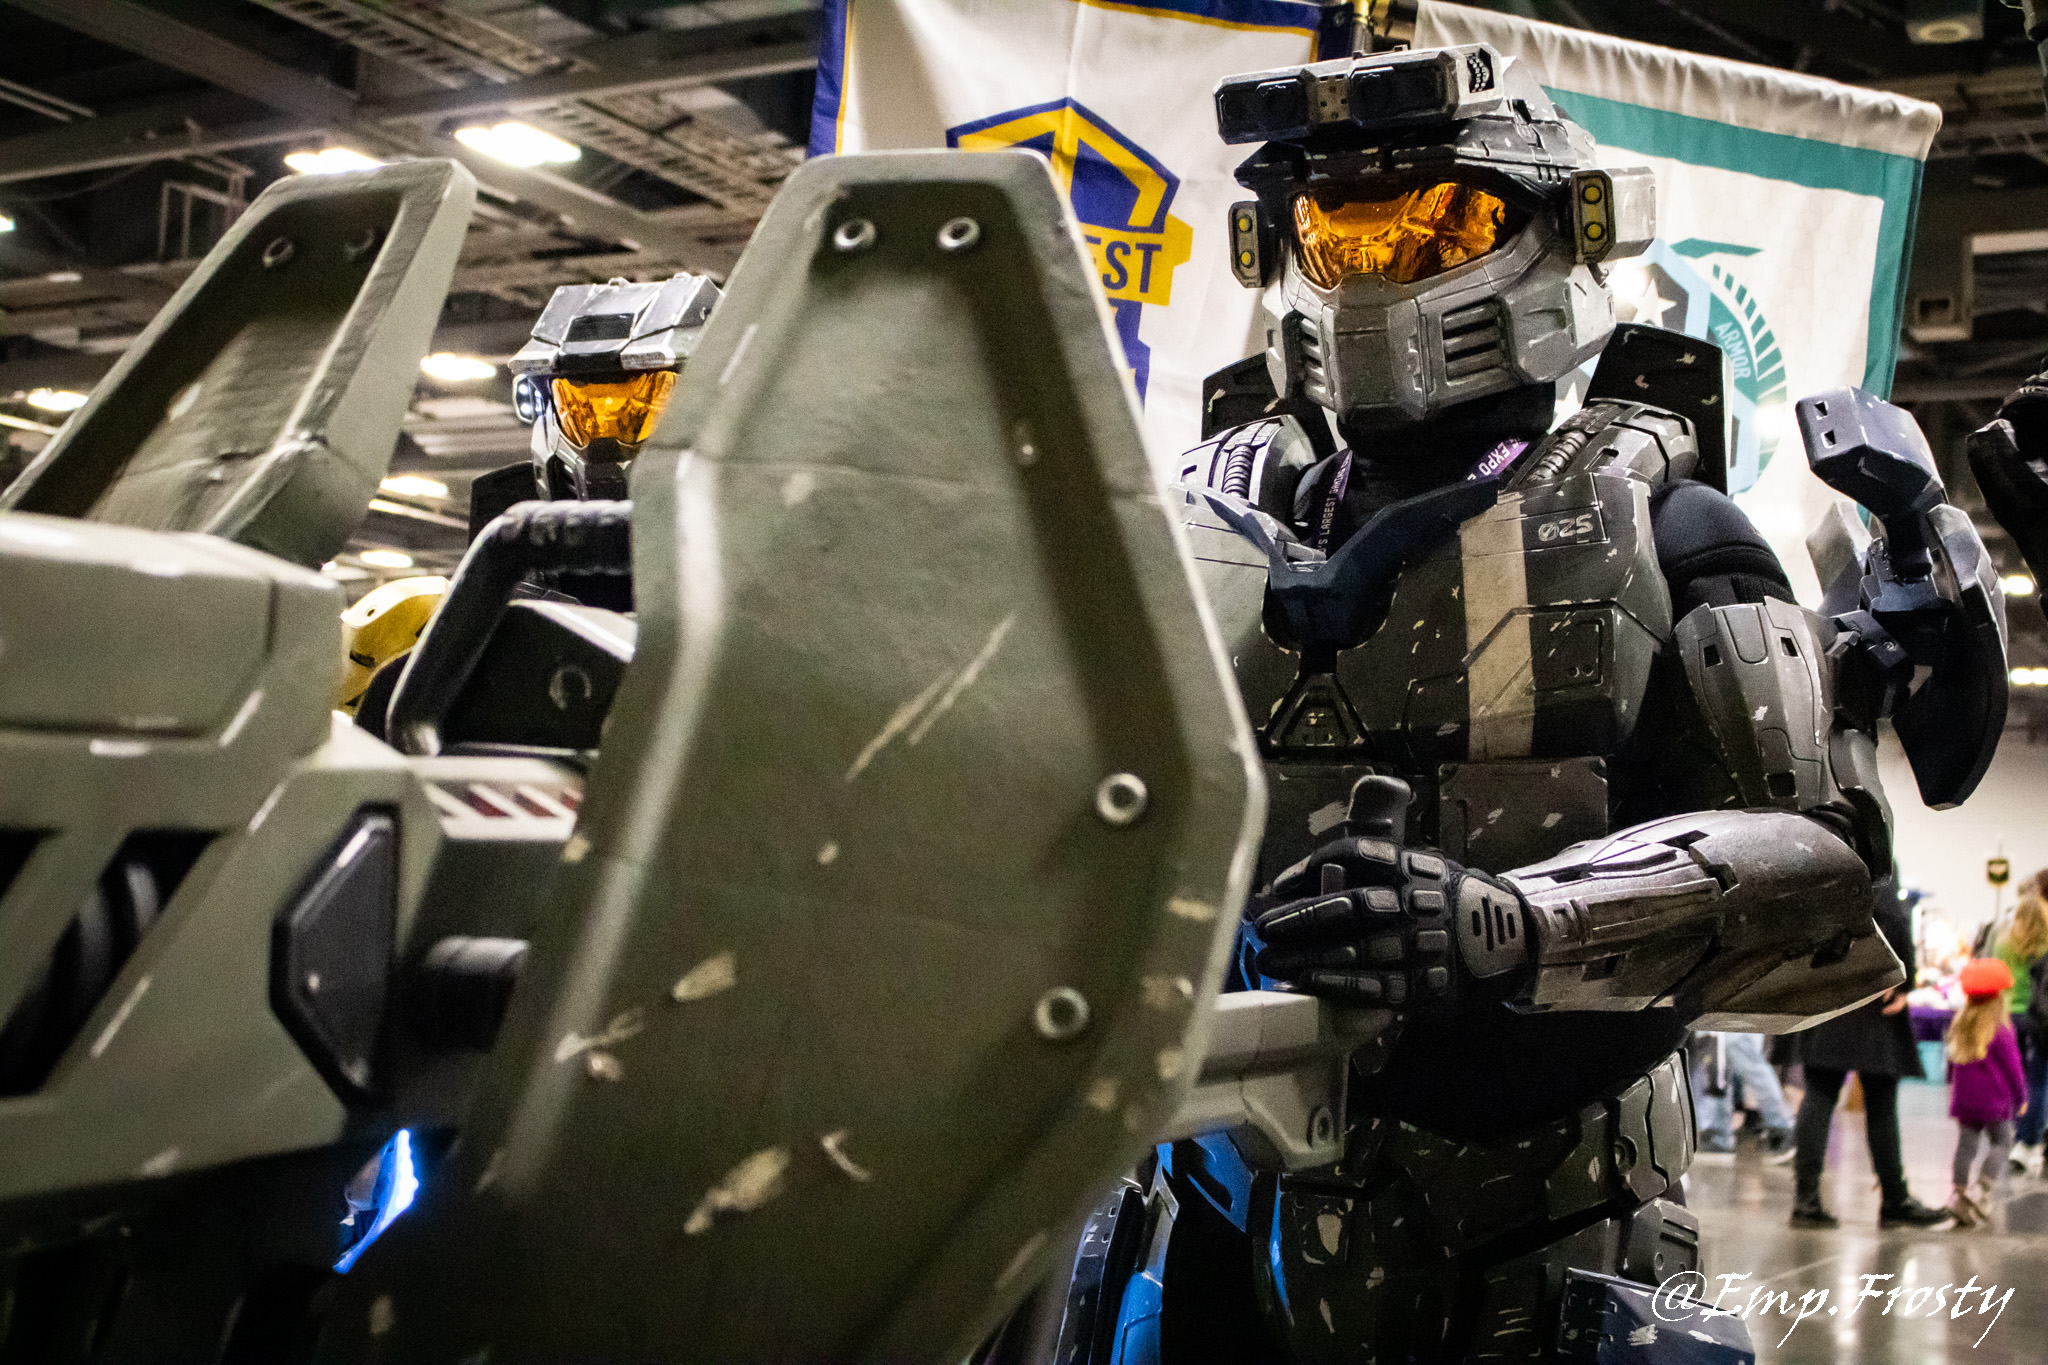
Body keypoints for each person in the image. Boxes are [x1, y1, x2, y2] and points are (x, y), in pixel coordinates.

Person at [1789, 880, 1953, 1228]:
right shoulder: (1876, 860)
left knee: (1819, 1093)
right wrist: (1905, 980)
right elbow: (1894, 919)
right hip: (1874, 997)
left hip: (1827, 994)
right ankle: (1894, 1199)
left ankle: (1806, 1199)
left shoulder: (1821, 860)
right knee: (1880, 1101)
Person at [1946, 958, 2028, 1227]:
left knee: (1965, 1147)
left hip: (1965, 1100)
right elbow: (2013, 1068)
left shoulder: (1959, 1023)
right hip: (1994, 1101)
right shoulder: (2000, 1030)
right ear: (1998, 997)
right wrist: (2021, 1097)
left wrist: (1952, 1088)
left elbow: (1951, 1065)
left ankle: (1958, 1195)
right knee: (2002, 1142)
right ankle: (1980, 1188)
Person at [1995, 873, 2048, 1174]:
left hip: (2009, 1017)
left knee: (2014, 1080)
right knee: (2037, 1081)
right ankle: (2030, 1138)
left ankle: (2016, 1131)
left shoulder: (2004, 943)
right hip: (2038, 1018)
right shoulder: (2045, 945)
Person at [1692, 1032, 1795, 1157]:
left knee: (1749, 1063)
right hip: (1731, 1027)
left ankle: (1782, 1127)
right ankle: (1719, 1136)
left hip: (1737, 1026)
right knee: (1721, 1068)